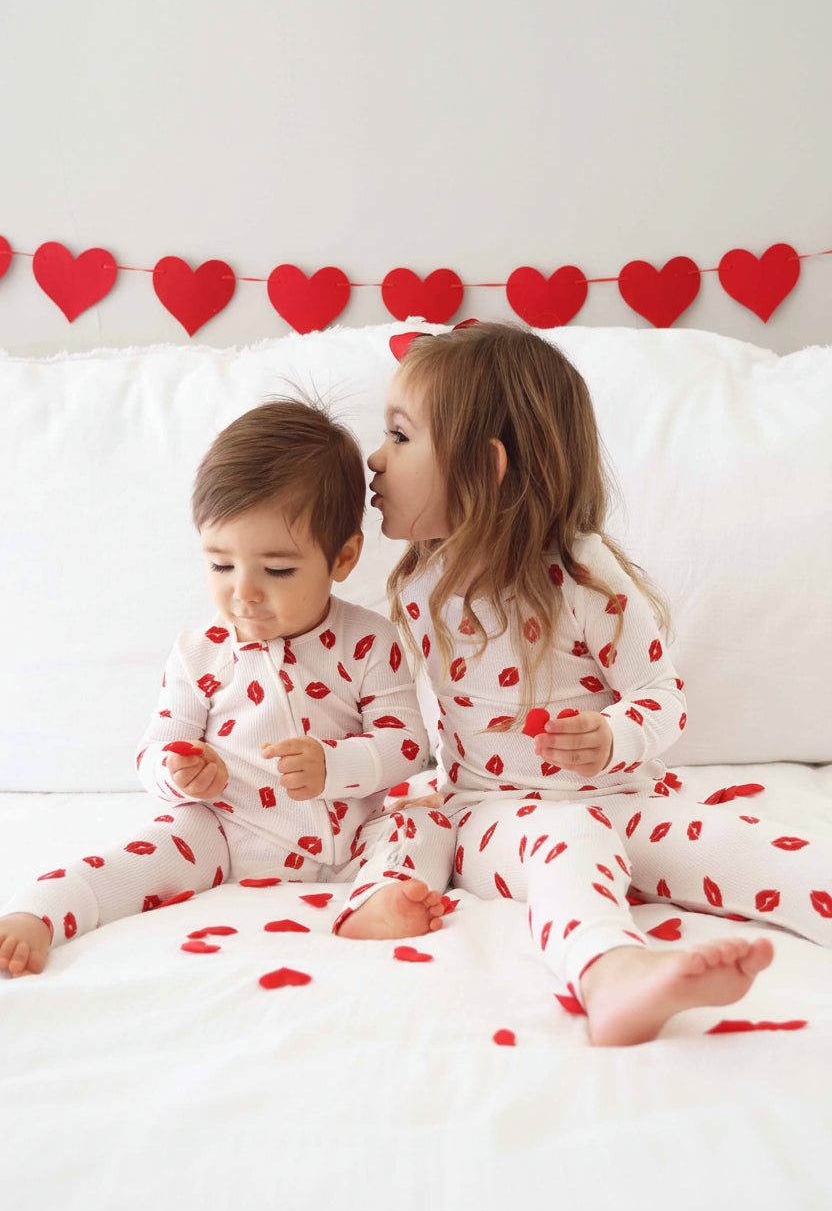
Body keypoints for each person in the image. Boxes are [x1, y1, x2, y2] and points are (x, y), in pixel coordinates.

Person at [367, 321, 832, 1047]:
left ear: (483, 467)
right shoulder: (419, 582)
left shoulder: (583, 577)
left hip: (627, 798)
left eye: (398, 436)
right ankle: (613, 976)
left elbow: (661, 698)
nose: (374, 459)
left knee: (748, 847)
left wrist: (614, 735)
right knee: (569, 842)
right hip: (496, 817)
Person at [0, 398, 455, 977]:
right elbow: (154, 748)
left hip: (353, 831)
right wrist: (179, 769)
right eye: (220, 565)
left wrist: (335, 765)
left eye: (279, 569)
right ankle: (40, 912)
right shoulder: (199, 652)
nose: (244, 592)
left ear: (342, 558)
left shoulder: (368, 639)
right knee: (147, 849)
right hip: (228, 830)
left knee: (428, 823)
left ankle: (379, 896)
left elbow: (408, 744)